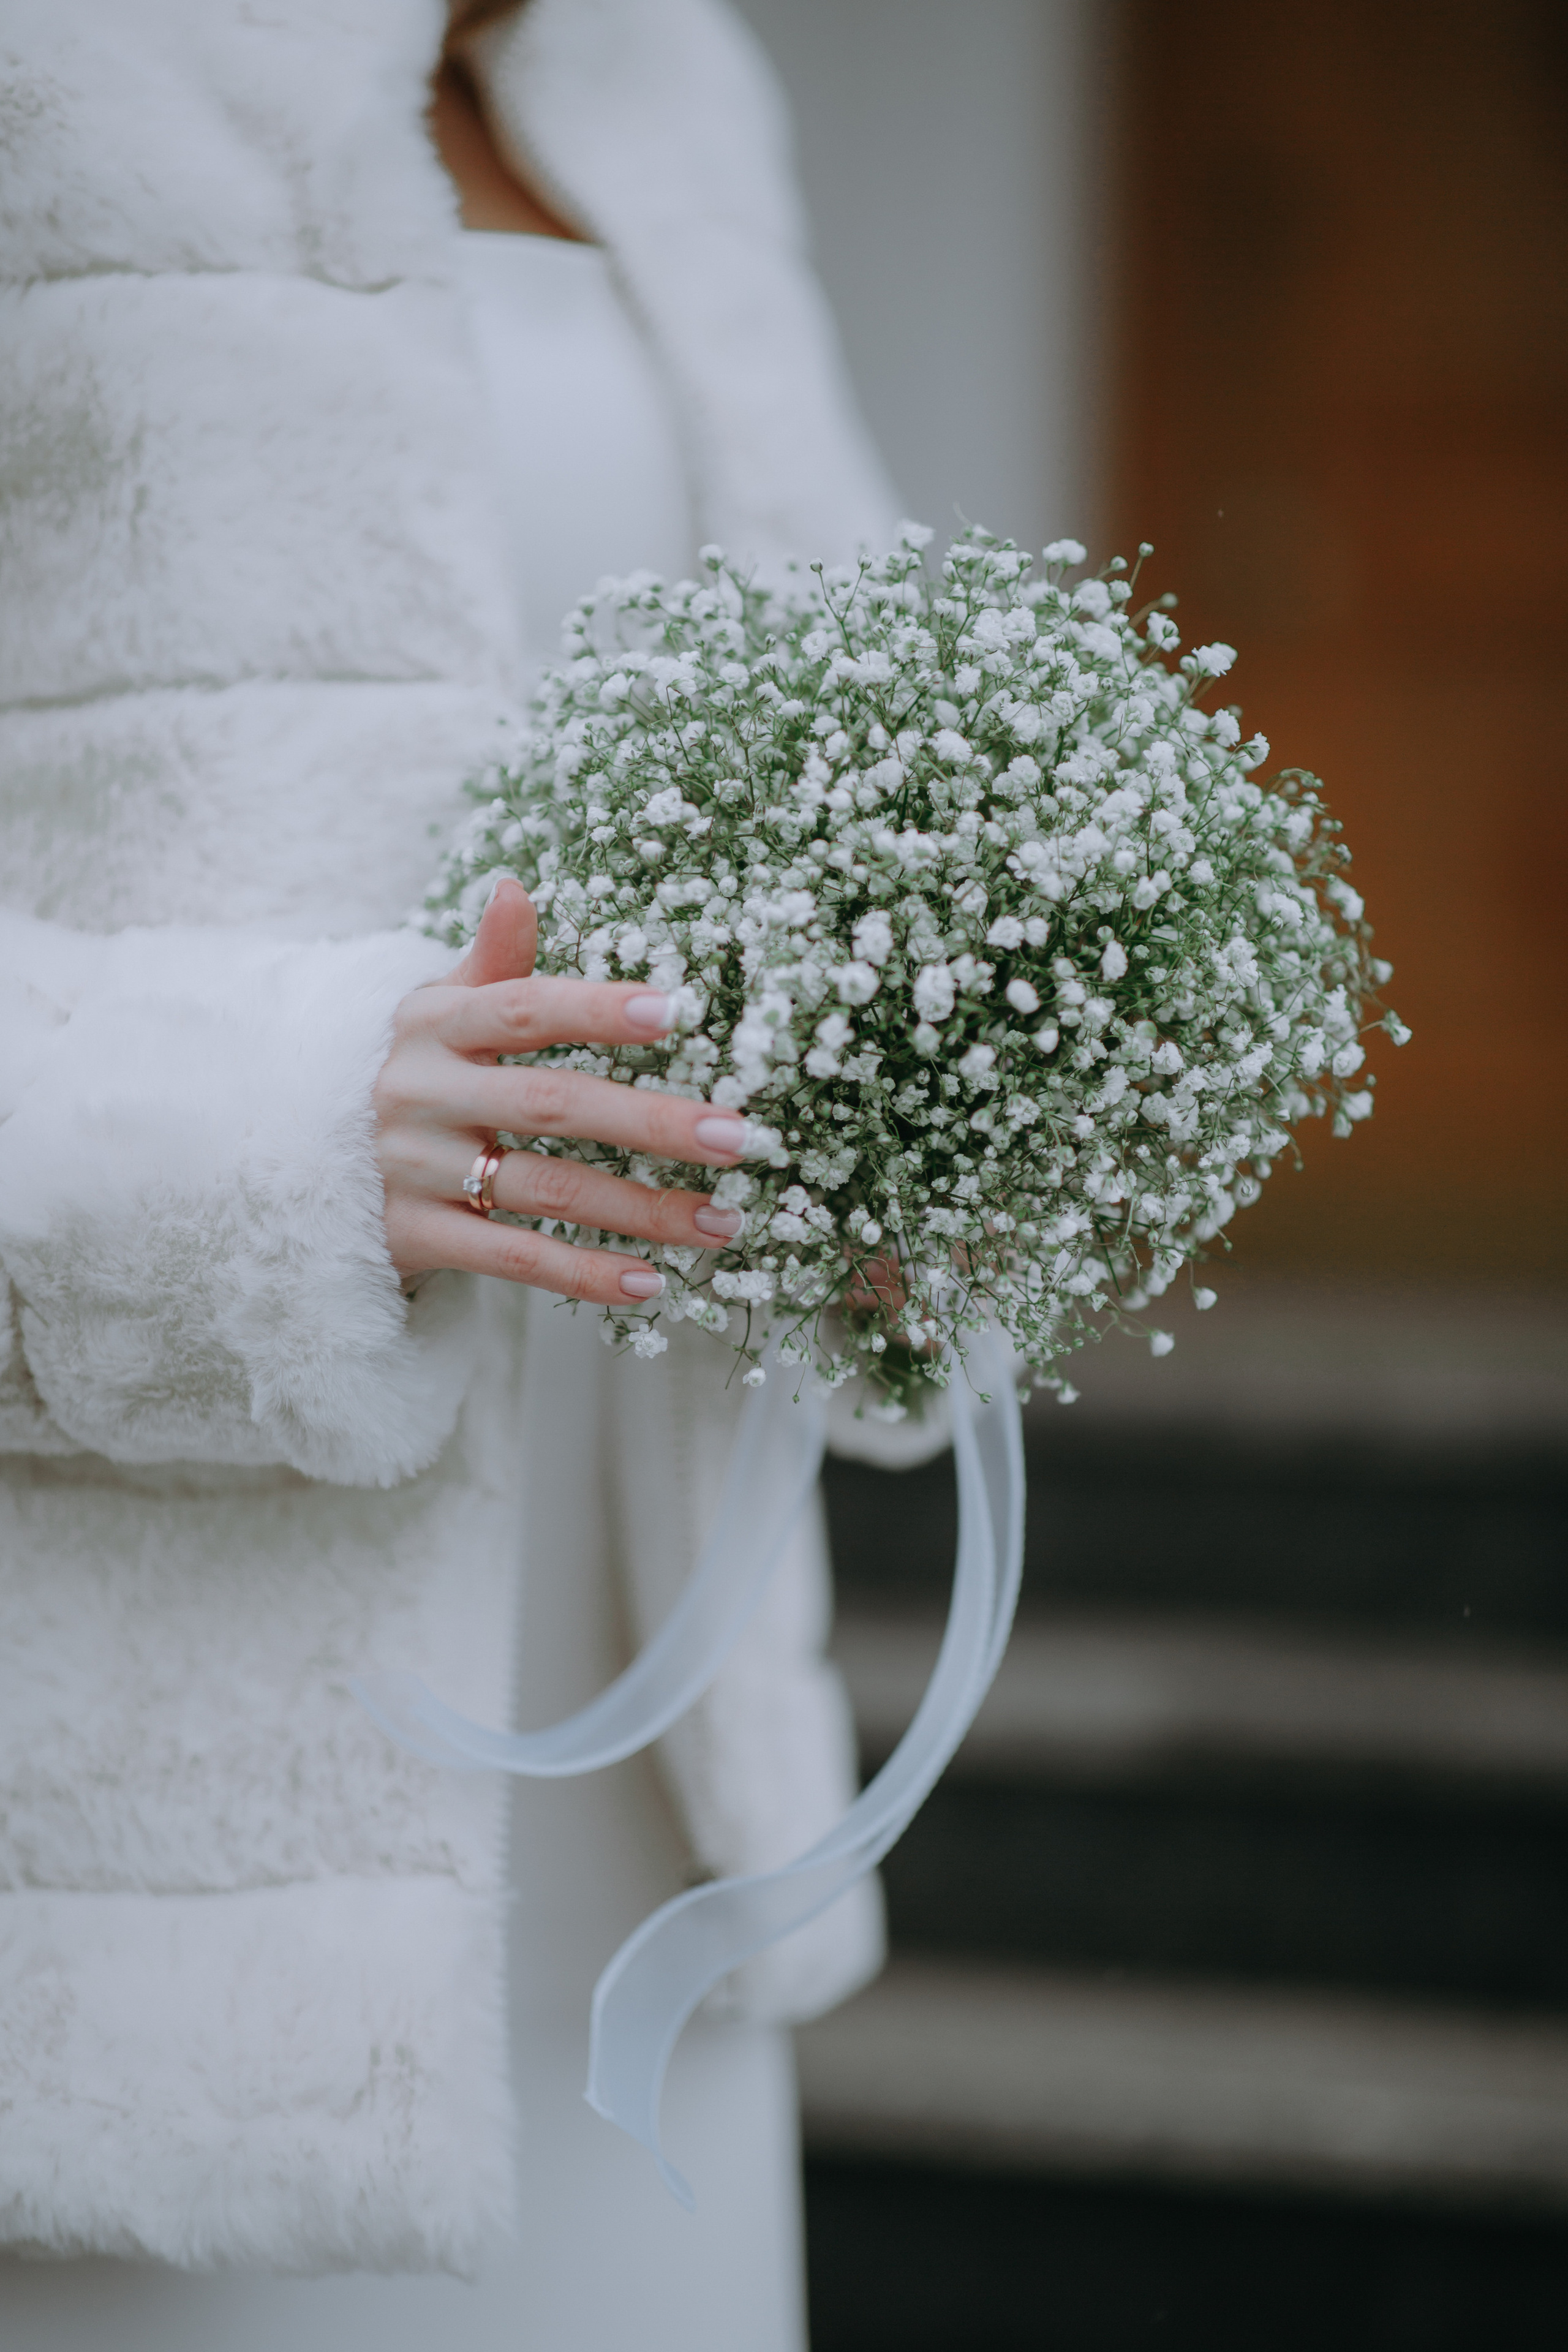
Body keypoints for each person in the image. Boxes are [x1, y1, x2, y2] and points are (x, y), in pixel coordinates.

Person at [0, 2, 941, 2343]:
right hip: (136, 1843)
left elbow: (876, 730)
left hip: (652, 1811)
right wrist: (273, 1127)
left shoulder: (671, 84)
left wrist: (939, 1130)